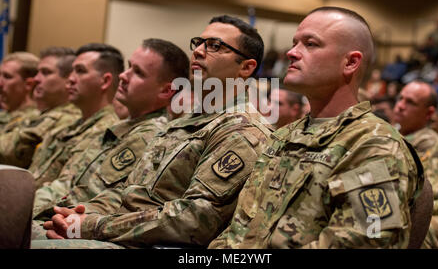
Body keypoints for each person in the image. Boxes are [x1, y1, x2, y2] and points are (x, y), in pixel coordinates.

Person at [32, 15, 272, 249]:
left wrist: (94, 225)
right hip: (117, 233)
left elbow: (195, 219)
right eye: (198, 43)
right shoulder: (183, 122)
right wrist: (78, 216)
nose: (198, 51)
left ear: (246, 67)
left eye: (214, 46)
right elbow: (128, 192)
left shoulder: (242, 129)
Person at [209, 6, 422, 249]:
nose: (291, 53)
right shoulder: (283, 137)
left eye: (310, 44)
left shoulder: (373, 145)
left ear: (351, 63)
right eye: (294, 43)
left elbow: (366, 242)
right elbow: (237, 229)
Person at [30, 38, 189, 239]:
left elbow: (93, 196)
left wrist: (33, 213)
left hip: (84, 225)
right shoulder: (122, 128)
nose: (123, 75)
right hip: (65, 216)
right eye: (129, 67)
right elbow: (69, 183)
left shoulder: (151, 134)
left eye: (138, 72)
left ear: (166, 91)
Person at [27, 43, 123, 188]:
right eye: (72, 71)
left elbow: (68, 190)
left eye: (80, 71)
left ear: (105, 81)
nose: (71, 79)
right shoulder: (68, 128)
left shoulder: (108, 132)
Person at [0, 47, 81, 168]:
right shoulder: (45, 114)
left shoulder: (67, 117)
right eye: (38, 72)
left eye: (46, 72)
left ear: (68, 80)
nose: (36, 79)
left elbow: (9, 150)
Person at [392, 81, 438, 167]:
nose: (400, 106)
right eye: (400, 98)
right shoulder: (393, 129)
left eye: (410, 102)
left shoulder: (428, 142)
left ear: (429, 113)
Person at [0, 52, 40, 133]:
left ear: (28, 84)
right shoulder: (5, 115)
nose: (0, 83)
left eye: (7, 77)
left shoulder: (34, 121)